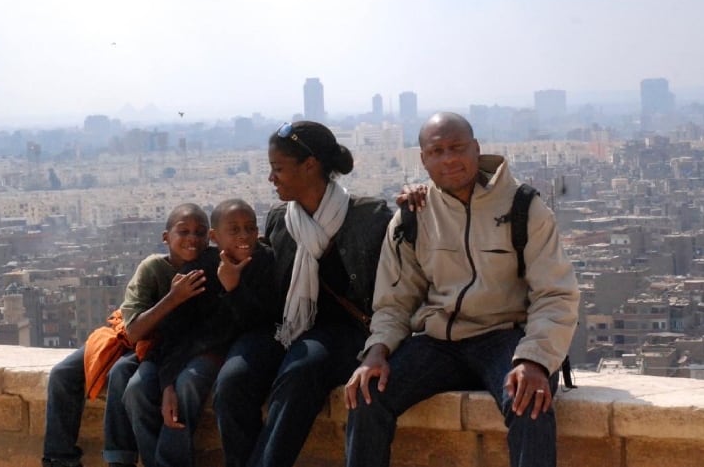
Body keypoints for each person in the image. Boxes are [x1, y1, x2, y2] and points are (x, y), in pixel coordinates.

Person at [344, 112, 580, 467]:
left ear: (476, 149)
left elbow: (555, 294)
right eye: (436, 151)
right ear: (423, 160)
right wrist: (377, 351)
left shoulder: (523, 208)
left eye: (457, 147)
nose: (449, 158)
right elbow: (395, 301)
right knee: (367, 396)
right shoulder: (414, 215)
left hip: (505, 338)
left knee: (530, 400)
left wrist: (535, 359)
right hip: (439, 342)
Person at [212, 121, 393, 467]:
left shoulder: (370, 218)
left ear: (310, 166)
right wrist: (234, 288)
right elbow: (271, 300)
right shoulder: (282, 220)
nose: (271, 179)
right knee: (234, 381)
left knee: (300, 371)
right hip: (287, 327)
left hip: (348, 333)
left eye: (278, 169)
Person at [41, 203, 209, 467]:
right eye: (183, 231)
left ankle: (120, 459)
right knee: (63, 374)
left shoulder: (208, 266)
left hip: (158, 347)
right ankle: (59, 459)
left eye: (200, 232)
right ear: (166, 237)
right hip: (129, 336)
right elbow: (131, 332)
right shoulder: (153, 268)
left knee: (122, 376)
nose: (192, 239)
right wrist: (173, 298)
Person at [123, 200, 275, 467]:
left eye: (249, 228)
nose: (243, 236)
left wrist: (233, 288)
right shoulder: (199, 270)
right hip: (183, 351)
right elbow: (176, 330)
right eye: (234, 230)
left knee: (189, 384)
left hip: (227, 353)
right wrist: (167, 380)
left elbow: (258, 324)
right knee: (137, 389)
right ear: (215, 237)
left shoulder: (265, 263)